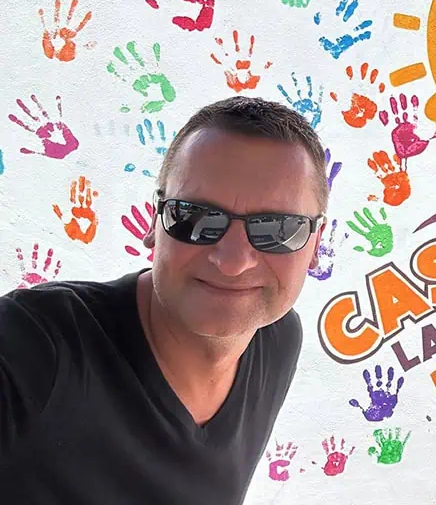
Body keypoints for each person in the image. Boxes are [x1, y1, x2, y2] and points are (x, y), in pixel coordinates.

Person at [0, 97, 328, 504]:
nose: (233, 262)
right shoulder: (38, 345)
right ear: (155, 223)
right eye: (194, 217)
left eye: (278, 229)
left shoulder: (275, 337)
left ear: (316, 244)